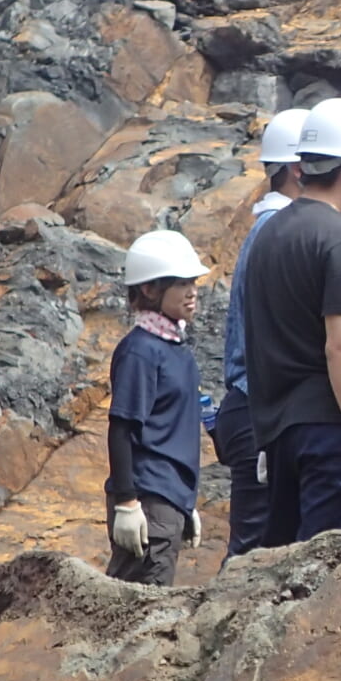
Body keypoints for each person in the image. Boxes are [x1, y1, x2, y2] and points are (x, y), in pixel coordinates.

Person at [241, 99, 341, 546]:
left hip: (283, 436)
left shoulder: (267, 235)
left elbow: (257, 342)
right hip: (334, 434)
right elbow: (340, 346)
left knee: (288, 566)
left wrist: (267, 437)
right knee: (336, 570)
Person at [211, 106, 310, 560]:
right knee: (254, 555)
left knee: (264, 551)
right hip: (260, 412)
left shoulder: (268, 229)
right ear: (297, 168)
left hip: (253, 410)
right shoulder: (279, 232)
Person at [108, 231, 210, 586]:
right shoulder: (141, 351)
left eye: (193, 282)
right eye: (181, 283)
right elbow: (122, 428)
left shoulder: (175, 349)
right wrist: (127, 503)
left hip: (167, 500)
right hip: (149, 499)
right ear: (150, 289)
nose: (192, 291)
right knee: (139, 607)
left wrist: (183, 504)